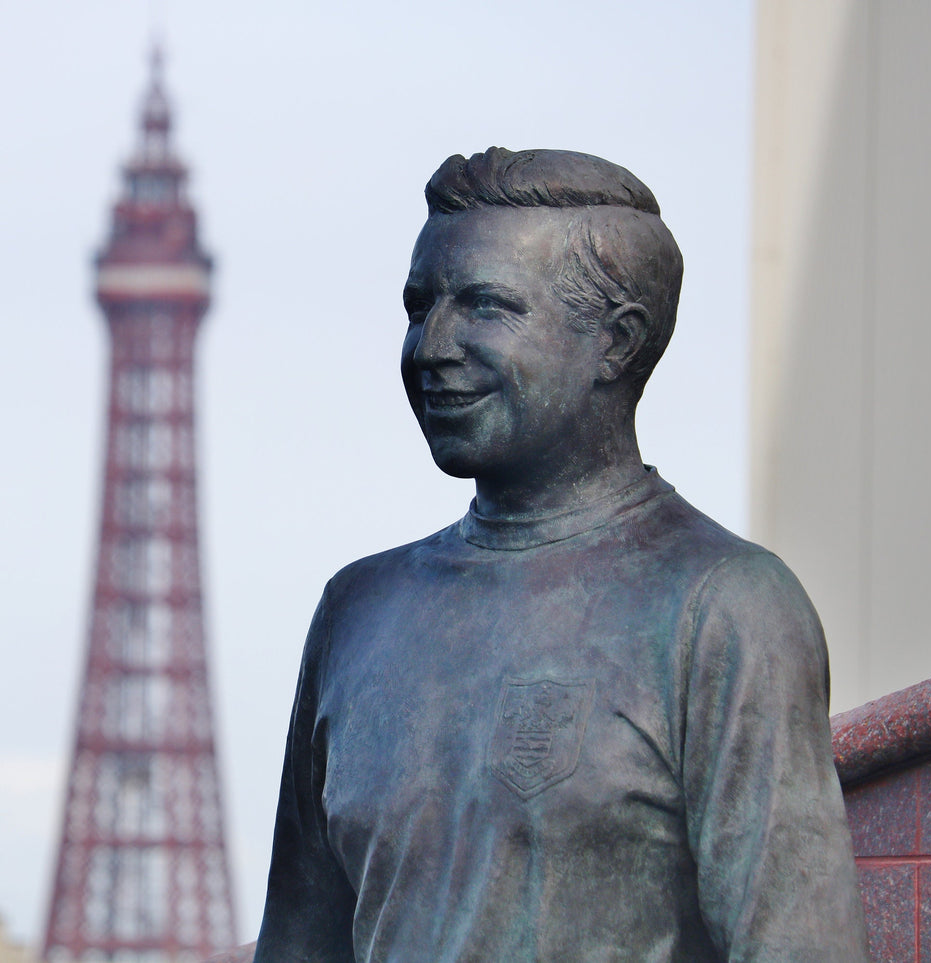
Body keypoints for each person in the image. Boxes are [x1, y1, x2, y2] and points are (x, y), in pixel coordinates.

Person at [249, 148, 869, 961]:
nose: (432, 346)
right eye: (417, 306)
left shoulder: (725, 607)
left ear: (616, 341)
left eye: (485, 307)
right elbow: (299, 941)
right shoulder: (356, 610)